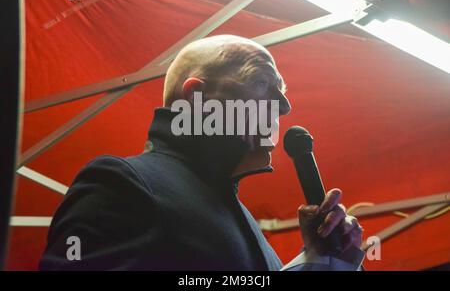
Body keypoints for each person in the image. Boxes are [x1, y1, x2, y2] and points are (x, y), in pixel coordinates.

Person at [40, 35, 364, 270]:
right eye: (262, 83)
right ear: (197, 97)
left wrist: (321, 259)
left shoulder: (239, 216)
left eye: (283, 89)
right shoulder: (124, 183)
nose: (284, 105)